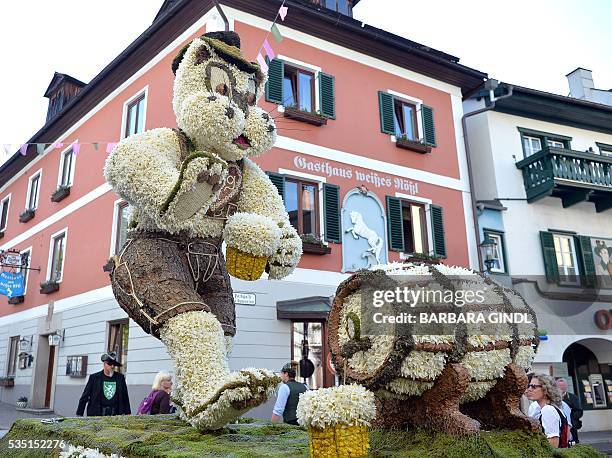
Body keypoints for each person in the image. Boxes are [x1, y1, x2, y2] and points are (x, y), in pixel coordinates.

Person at [76, 352, 131, 417]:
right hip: (97, 415)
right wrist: (79, 414)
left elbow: (125, 397)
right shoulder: (94, 378)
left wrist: (128, 413)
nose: (112, 366)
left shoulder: (120, 378)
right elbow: (85, 396)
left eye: (113, 364)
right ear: (104, 364)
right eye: (110, 364)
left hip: (116, 416)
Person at [526, 374, 570, 448]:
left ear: (545, 390)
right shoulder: (549, 408)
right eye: (529, 386)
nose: (529, 389)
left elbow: (553, 443)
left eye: (533, 387)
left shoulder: (548, 410)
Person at [556, 377, 583, 444]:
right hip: (557, 426)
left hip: (571, 426)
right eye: (559, 386)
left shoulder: (573, 398)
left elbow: (579, 411)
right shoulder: (553, 397)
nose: (561, 387)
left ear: (566, 386)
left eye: (563, 385)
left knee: (573, 443)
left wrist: (571, 418)